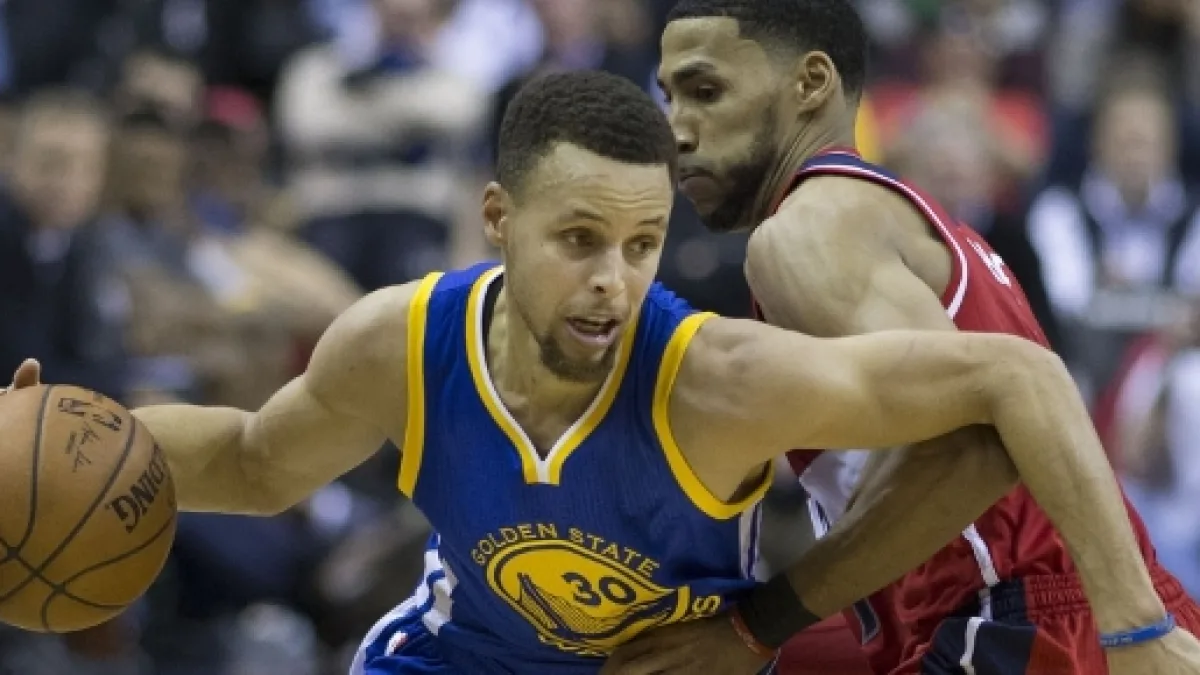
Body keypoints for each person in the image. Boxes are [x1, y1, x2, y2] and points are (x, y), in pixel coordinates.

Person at [0, 71, 1180, 674]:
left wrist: (1139, 633)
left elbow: (1018, 381)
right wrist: (56, 440)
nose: (613, 280)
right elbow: (255, 461)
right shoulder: (402, 342)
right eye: (578, 240)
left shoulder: (717, 379)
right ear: (498, 220)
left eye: (642, 243)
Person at [604, 1, 1200, 674]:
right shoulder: (882, 212)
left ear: (811, 83)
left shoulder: (804, 231)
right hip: (1065, 609)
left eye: (706, 91)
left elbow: (974, 448)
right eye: (669, 97)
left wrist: (756, 626)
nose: (677, 129)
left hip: (1021, 620)